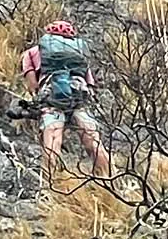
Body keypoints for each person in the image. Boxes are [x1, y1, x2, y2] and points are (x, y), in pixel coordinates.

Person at [20, 20, 109, 179]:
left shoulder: (33, 51)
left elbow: (32, 84)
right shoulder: (78, 52)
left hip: (52, 96)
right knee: (93, 140)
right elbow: (90, 83)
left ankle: (48, 185)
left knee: (53, 140)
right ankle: (110, 181)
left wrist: (38, 101)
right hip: (79, 95)